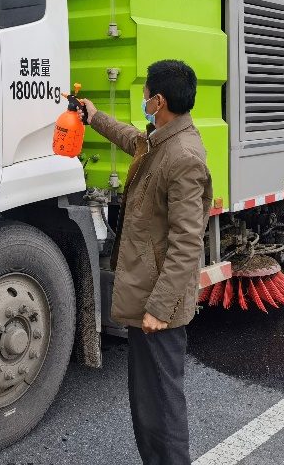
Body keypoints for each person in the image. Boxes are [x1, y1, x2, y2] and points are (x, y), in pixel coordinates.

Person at [81, 59, 212, 465]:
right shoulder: (162, 140)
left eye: (145, 94)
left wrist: (158, 307)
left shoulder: (184, 156)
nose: (141, 99)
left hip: (159, 303)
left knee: (163, 405)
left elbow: (188, 242)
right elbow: (132, 139)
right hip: (144, 292)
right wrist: (94, 117)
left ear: (159, 100)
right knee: (146, 400)